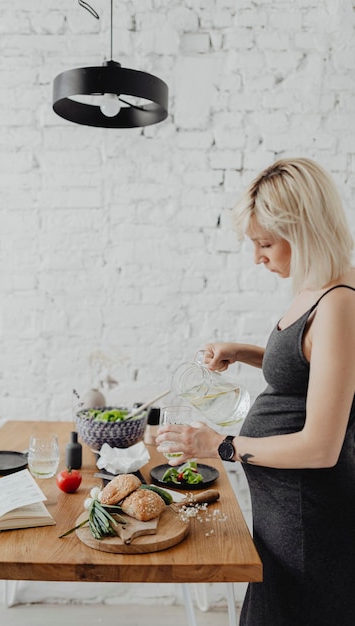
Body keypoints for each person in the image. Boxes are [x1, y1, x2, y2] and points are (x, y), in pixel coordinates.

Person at [156, 158, 355, 626]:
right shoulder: (315, 289)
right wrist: (244, 351)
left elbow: (322, 448)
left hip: (310, 521)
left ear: (302, 230)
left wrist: (220, 445)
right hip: (284, 511)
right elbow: (316, 372)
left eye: (265, 243)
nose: (258, 257)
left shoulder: (341, 301)